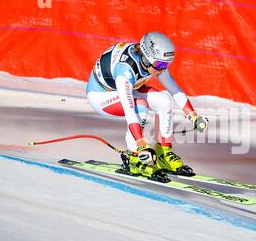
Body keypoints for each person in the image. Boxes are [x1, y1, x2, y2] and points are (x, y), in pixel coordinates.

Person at [86, 32, 209, 179]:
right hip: (101, 96)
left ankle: (163, 152)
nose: (163, 70)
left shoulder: (155, 64)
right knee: (140, 106)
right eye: (160, 65)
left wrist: (193, 116)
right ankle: (134, 156)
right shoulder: (125, 70)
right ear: (145, 58)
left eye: (167, 64)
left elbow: (174, 89)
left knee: (164, 101)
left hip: (127, 89)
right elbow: (130, 110)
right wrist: (141, 144)